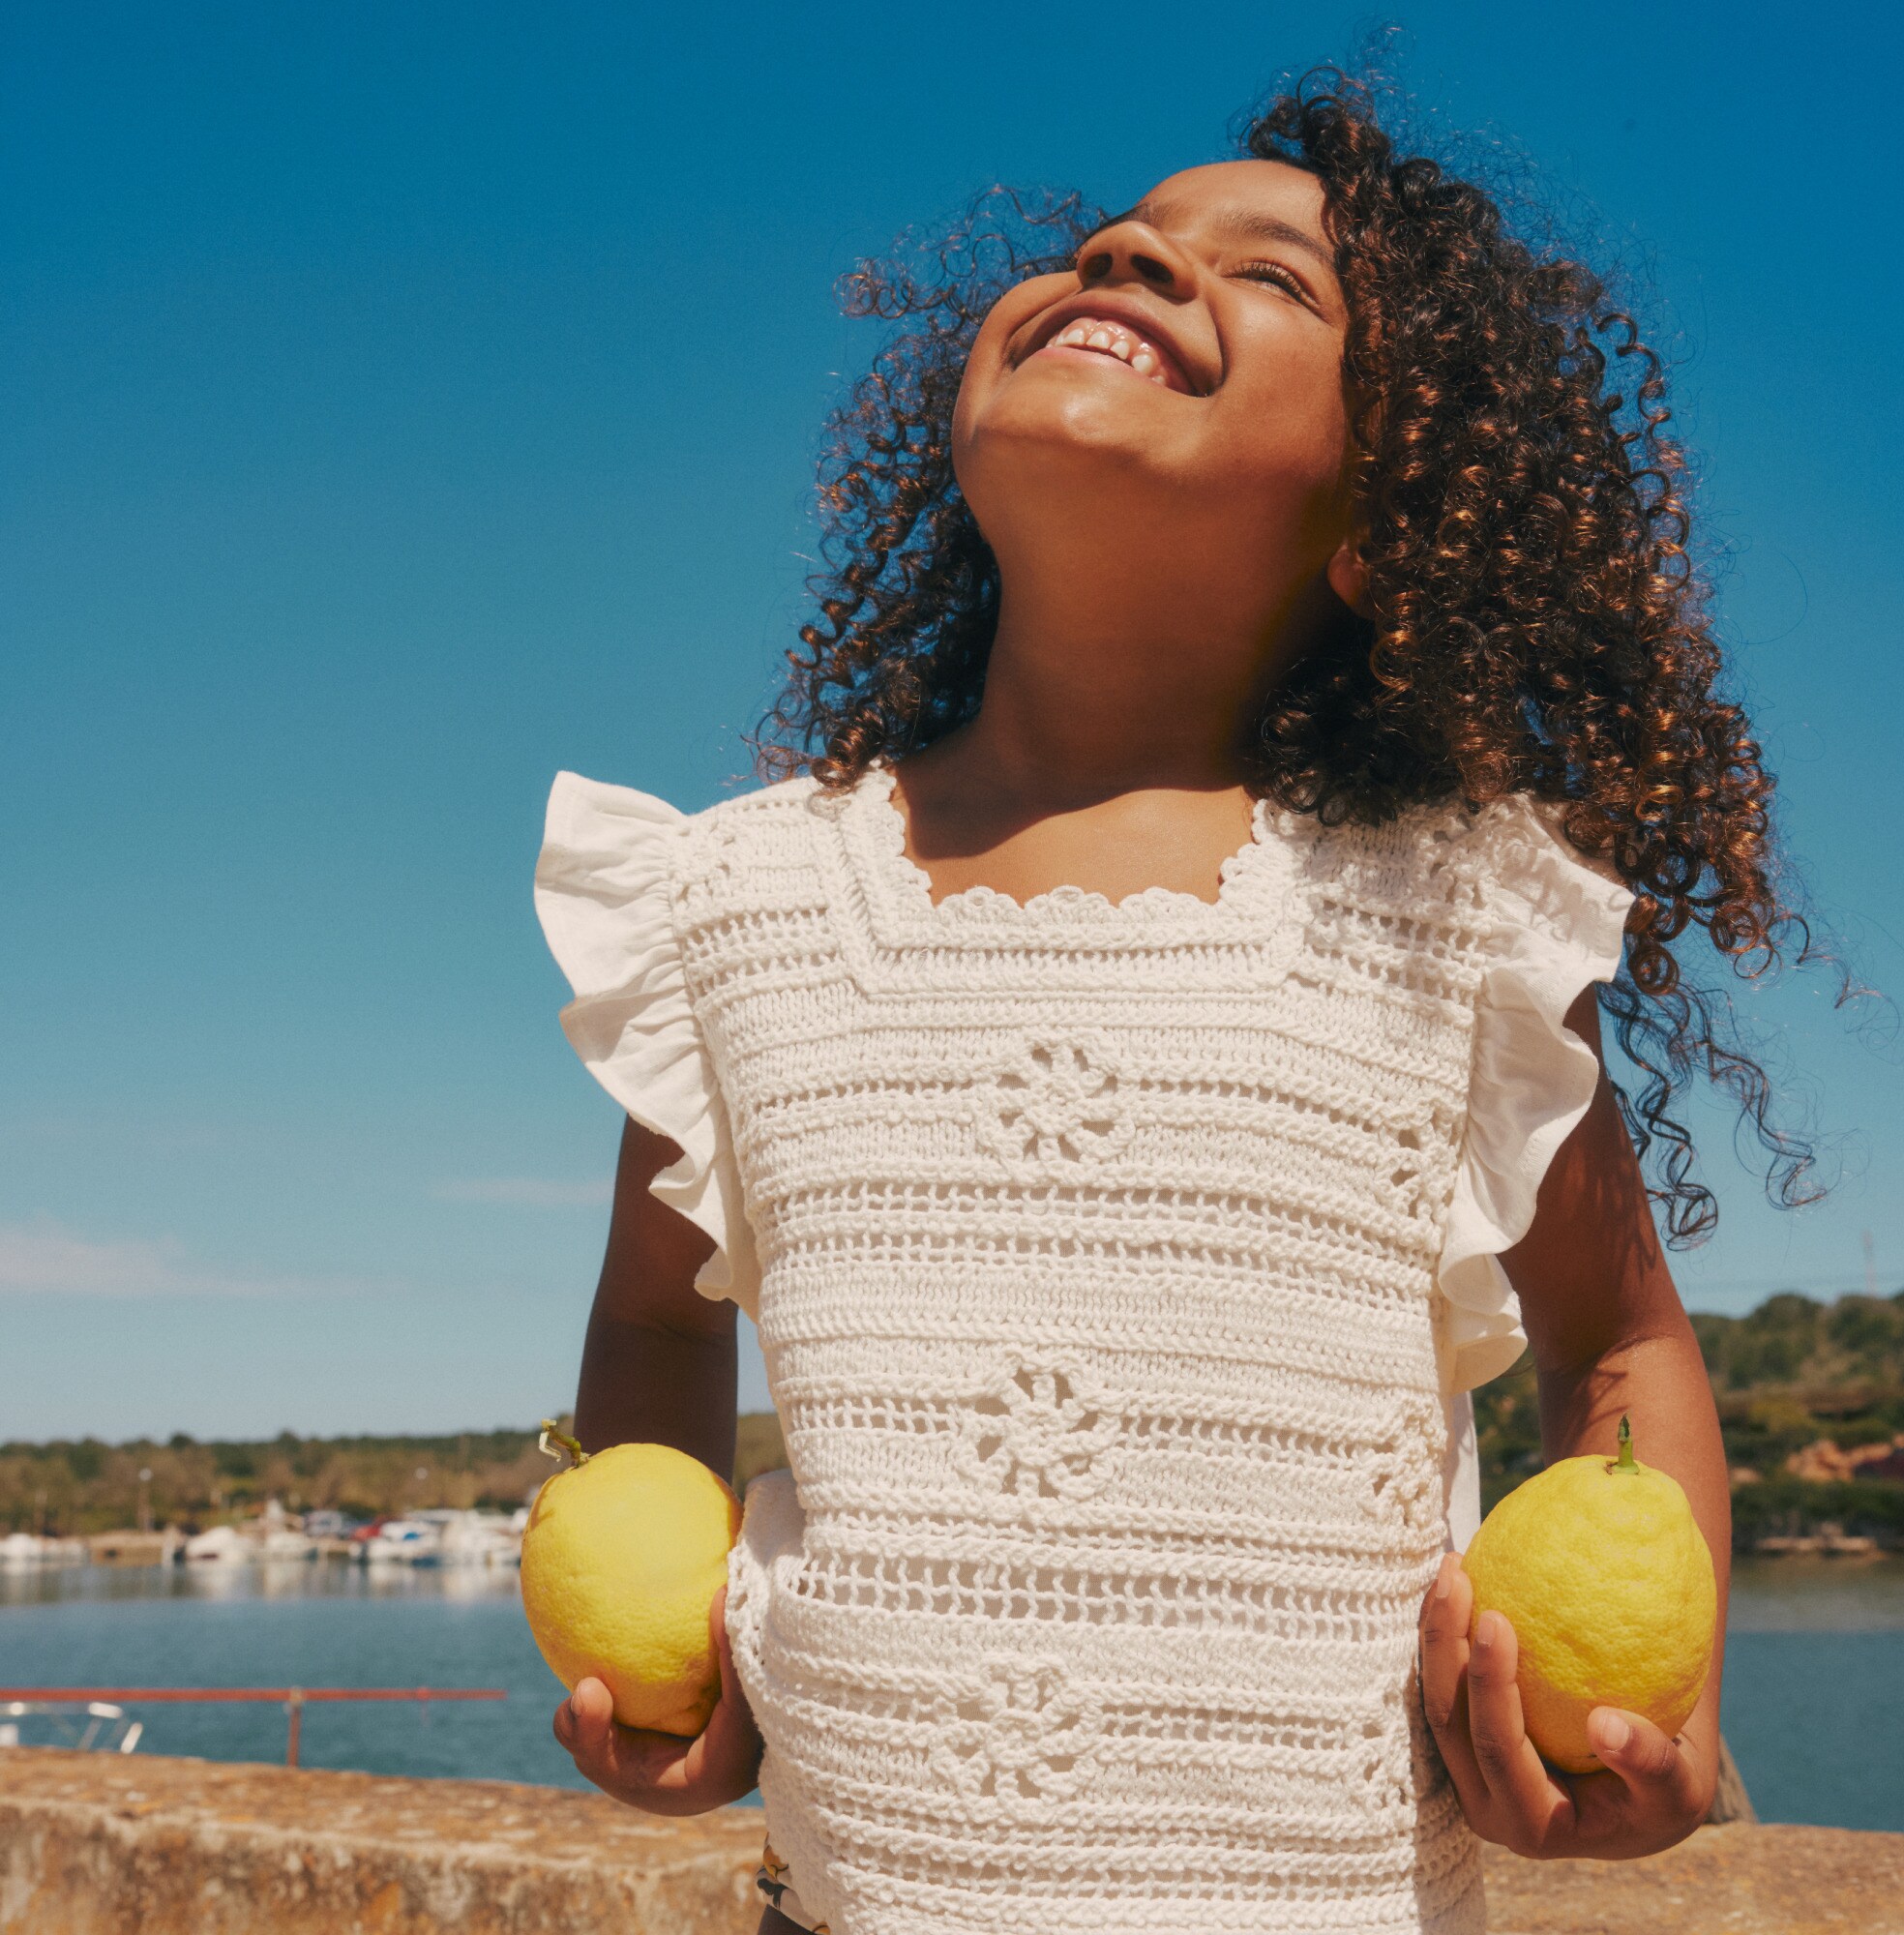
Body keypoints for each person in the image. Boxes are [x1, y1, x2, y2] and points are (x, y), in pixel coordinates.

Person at [532, 66, 1812, 1935]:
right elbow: (659, 1332)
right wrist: (683, 1657)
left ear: (1390, 524)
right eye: (1107, 237)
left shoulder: (1454, 910)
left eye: (1273, 277)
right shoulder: (737, 902)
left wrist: (1651, 1707)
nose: (1128, 248)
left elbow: (1620, 1347)